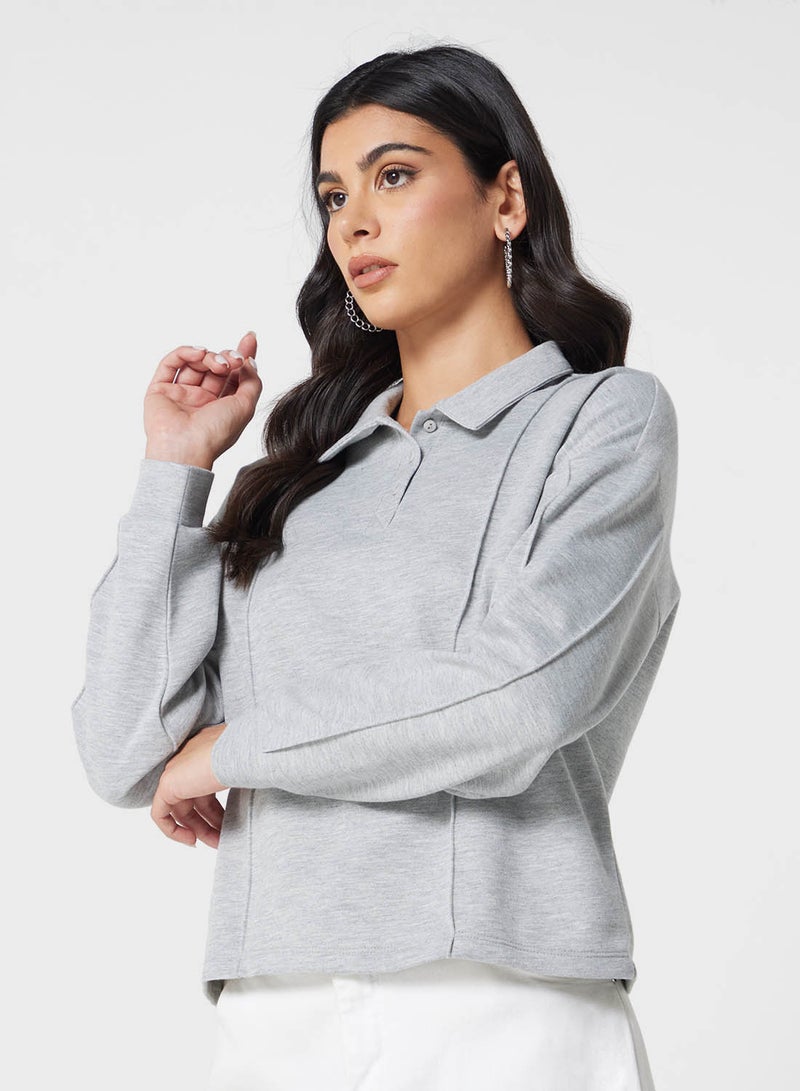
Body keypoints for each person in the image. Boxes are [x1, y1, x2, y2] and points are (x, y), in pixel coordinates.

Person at [71, 42, 681, 1091]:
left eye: (393, 175)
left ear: (505, 198)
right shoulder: (297, 481)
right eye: (332, 194)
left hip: (502, 994)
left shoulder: (600, 420)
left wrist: (234, 752)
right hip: (276, 1004)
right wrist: (174, 470)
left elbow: (518, 698)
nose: (353, 220)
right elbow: (124, 749)